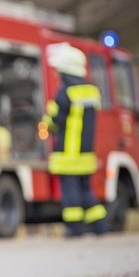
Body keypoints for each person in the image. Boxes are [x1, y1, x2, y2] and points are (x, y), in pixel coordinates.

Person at [44, 43, 109, 237]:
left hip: (68, 153)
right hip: (86, 153)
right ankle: (100, 226)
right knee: (86, 190)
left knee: (71, 193)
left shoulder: (64, 93)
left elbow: (55, 122)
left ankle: (75, 228)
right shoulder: (91, 92)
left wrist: (49, 115)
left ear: (65, 70)